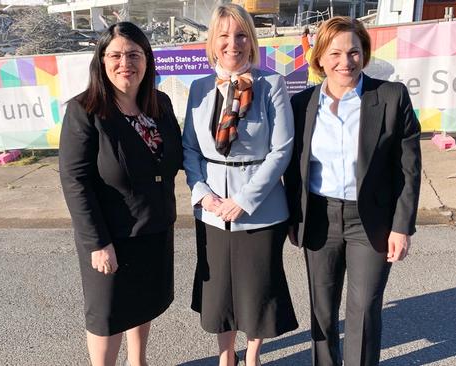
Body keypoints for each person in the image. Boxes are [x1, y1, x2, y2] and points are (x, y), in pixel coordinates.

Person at [284, 16, 422, 366]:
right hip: (320, 217)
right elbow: (289, 167)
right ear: (319, 58)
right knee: (323, 310)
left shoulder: (390, 97)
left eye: (354, 52)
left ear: (365, 54)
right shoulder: (301, 105)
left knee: (363, 309)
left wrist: (402, 226)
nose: (345, 62)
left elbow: (408, 168)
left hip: (371, 220)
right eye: (335, 53)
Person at [59, 22, 182, 366]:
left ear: (147, 60)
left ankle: (138, 361)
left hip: (154, 227)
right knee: (107, 315)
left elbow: (177, 156)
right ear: (101, 61)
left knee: (143, 302)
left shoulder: (160, 104)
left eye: (133, 54)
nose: (125, 62)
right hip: (109, 235)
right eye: (115, 55)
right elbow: (74, 181)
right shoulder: (84, 110)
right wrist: (97, 242)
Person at [182, 4, 298, 366]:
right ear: (212, 43)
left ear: (252, 40)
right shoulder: (200, 87)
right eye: (224, 35)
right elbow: (189, 147)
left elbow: (281, 149)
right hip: (213, 211)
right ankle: (225, 354)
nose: (233, 43)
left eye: (241, 34)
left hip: (260, 209)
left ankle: (252, 356)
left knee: (256, 289)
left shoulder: (271, 84)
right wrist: (202, 194)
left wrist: (246, 199)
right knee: (219, 291)